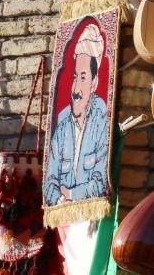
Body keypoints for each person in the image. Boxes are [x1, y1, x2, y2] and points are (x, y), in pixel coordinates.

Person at [44, 23, 111, 208]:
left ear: (94, 83)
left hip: (93, 225)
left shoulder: (102, 123)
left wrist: (71, 194)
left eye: (83, 78)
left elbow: (100, 183)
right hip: (63, 225)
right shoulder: (63, 126)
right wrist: (60, 199)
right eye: (75, 77)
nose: (75, 89)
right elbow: (49, 183)